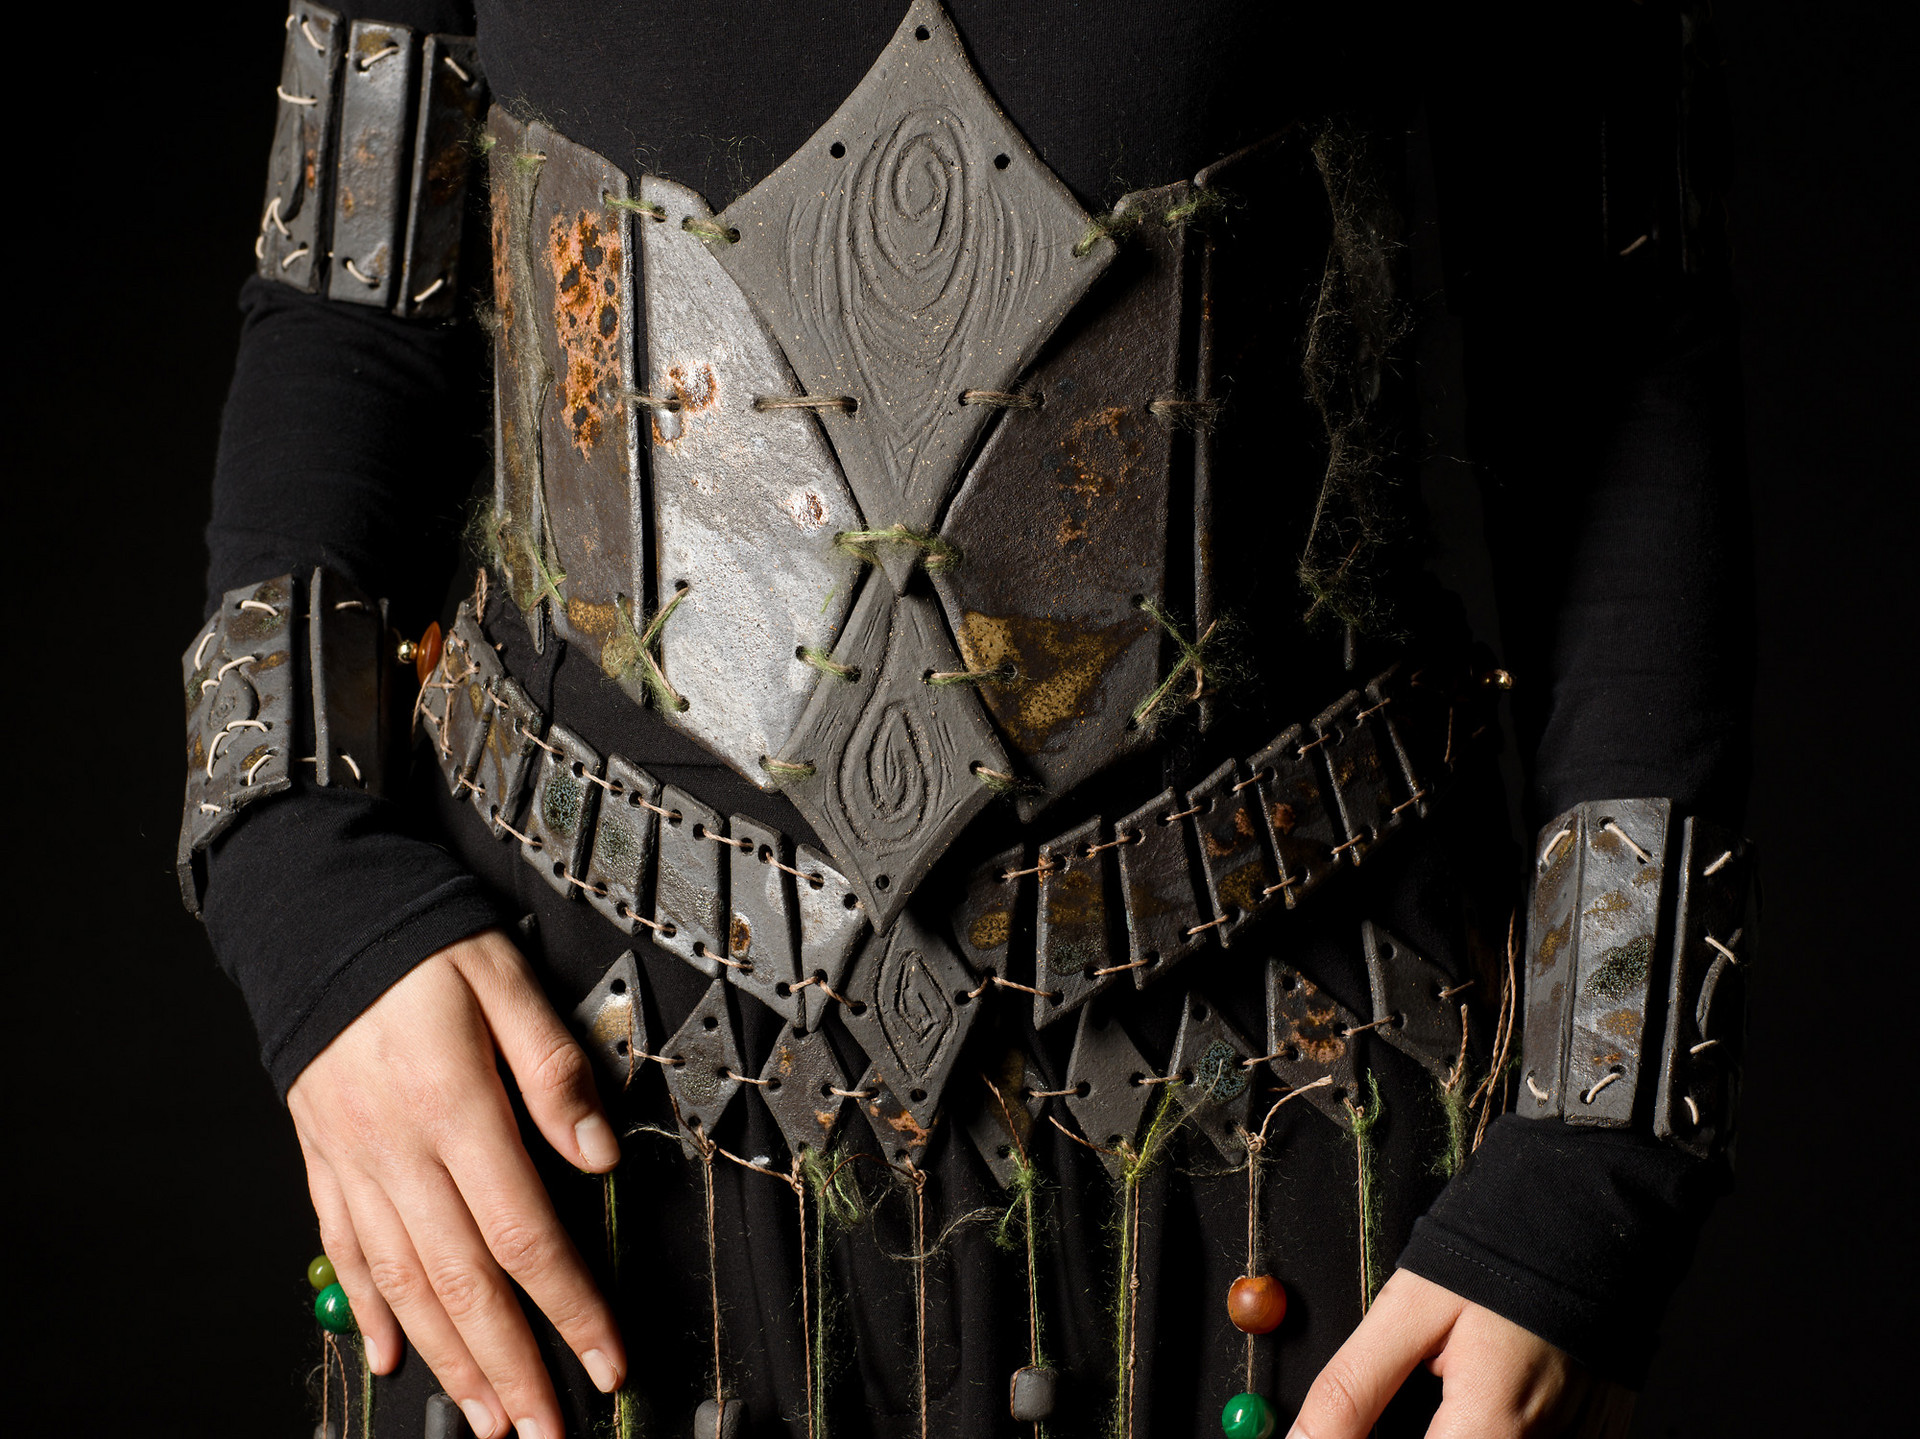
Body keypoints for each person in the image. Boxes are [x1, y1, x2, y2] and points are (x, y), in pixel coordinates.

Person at [182, 4, 1753, 1437]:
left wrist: (1599, 1148)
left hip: (1272, 1106)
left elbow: (1618, 350)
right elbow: (343, 306)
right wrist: (300, 878)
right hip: (589, 1096)